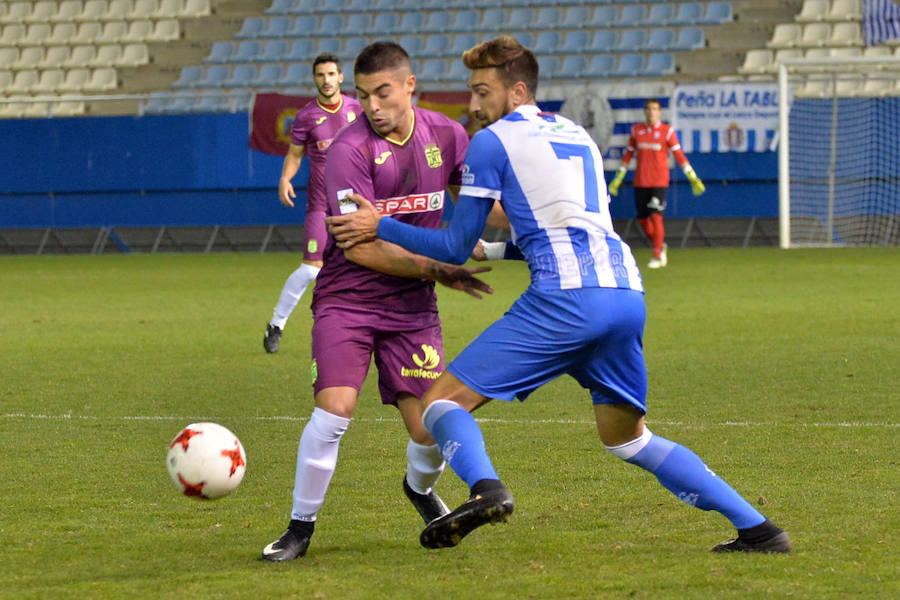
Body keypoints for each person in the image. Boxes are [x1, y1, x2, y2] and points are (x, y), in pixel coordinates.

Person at [326, 36, 792, 555]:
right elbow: (573, 231)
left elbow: (454, 247)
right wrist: (500, 252)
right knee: (629, 438)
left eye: (482, 91)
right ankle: (760, 530)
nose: (474, 105)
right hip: (623, 293)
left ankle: (486, 490)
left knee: (438, 404)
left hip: (564, 302)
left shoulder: (491, 141)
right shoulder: (577, 135)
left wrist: (380, 222)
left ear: (517, 89)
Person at [262, 41, 480, 562]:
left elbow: (477, 208)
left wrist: (527, 225)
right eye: (364, 96)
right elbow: (359, 249)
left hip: (413, 310)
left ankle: (419, 490)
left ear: (410, 86)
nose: (372, 107)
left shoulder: (447, 135)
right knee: (335, 410)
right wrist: (438, 268)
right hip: (348, 299)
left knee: (430, 429)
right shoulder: (347, 150)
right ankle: (300, 527)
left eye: (383, 92)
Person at [263, 54, 362, 353]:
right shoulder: (306, 116)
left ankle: (357, 329)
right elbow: (295, 154)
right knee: (310, 270)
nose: (327, 80)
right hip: (320, 203)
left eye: (332, 74)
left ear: (341, 77)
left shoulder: (358, 109)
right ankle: (276, 324)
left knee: (363, 266)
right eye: (321, 75)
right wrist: (285, 179)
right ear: (315, 79)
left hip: (352, 203)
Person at [607, 98, 706, 270]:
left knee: (656, 216)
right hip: (641, 181)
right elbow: (628, 155)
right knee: (643, 220)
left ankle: (657, 254)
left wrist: (692, 176)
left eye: (655, 109)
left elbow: (679, 155)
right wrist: (618, 177)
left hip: (659, 182)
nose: (652, 112)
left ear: (660, 112)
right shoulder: (636, 131)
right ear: (645, 112)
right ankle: (660, 245)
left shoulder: (667, 132)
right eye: (649, 109)